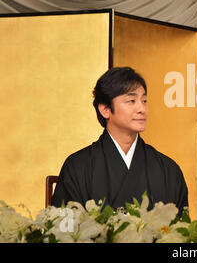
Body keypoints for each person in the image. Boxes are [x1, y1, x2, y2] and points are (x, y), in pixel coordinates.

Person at [52, 67, 189, 215]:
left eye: (144, 100)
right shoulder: (78, 167)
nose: (142, 108)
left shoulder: (168, 170)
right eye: (131, 101)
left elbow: (181, 232)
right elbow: (64, 230)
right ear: (105, 109)